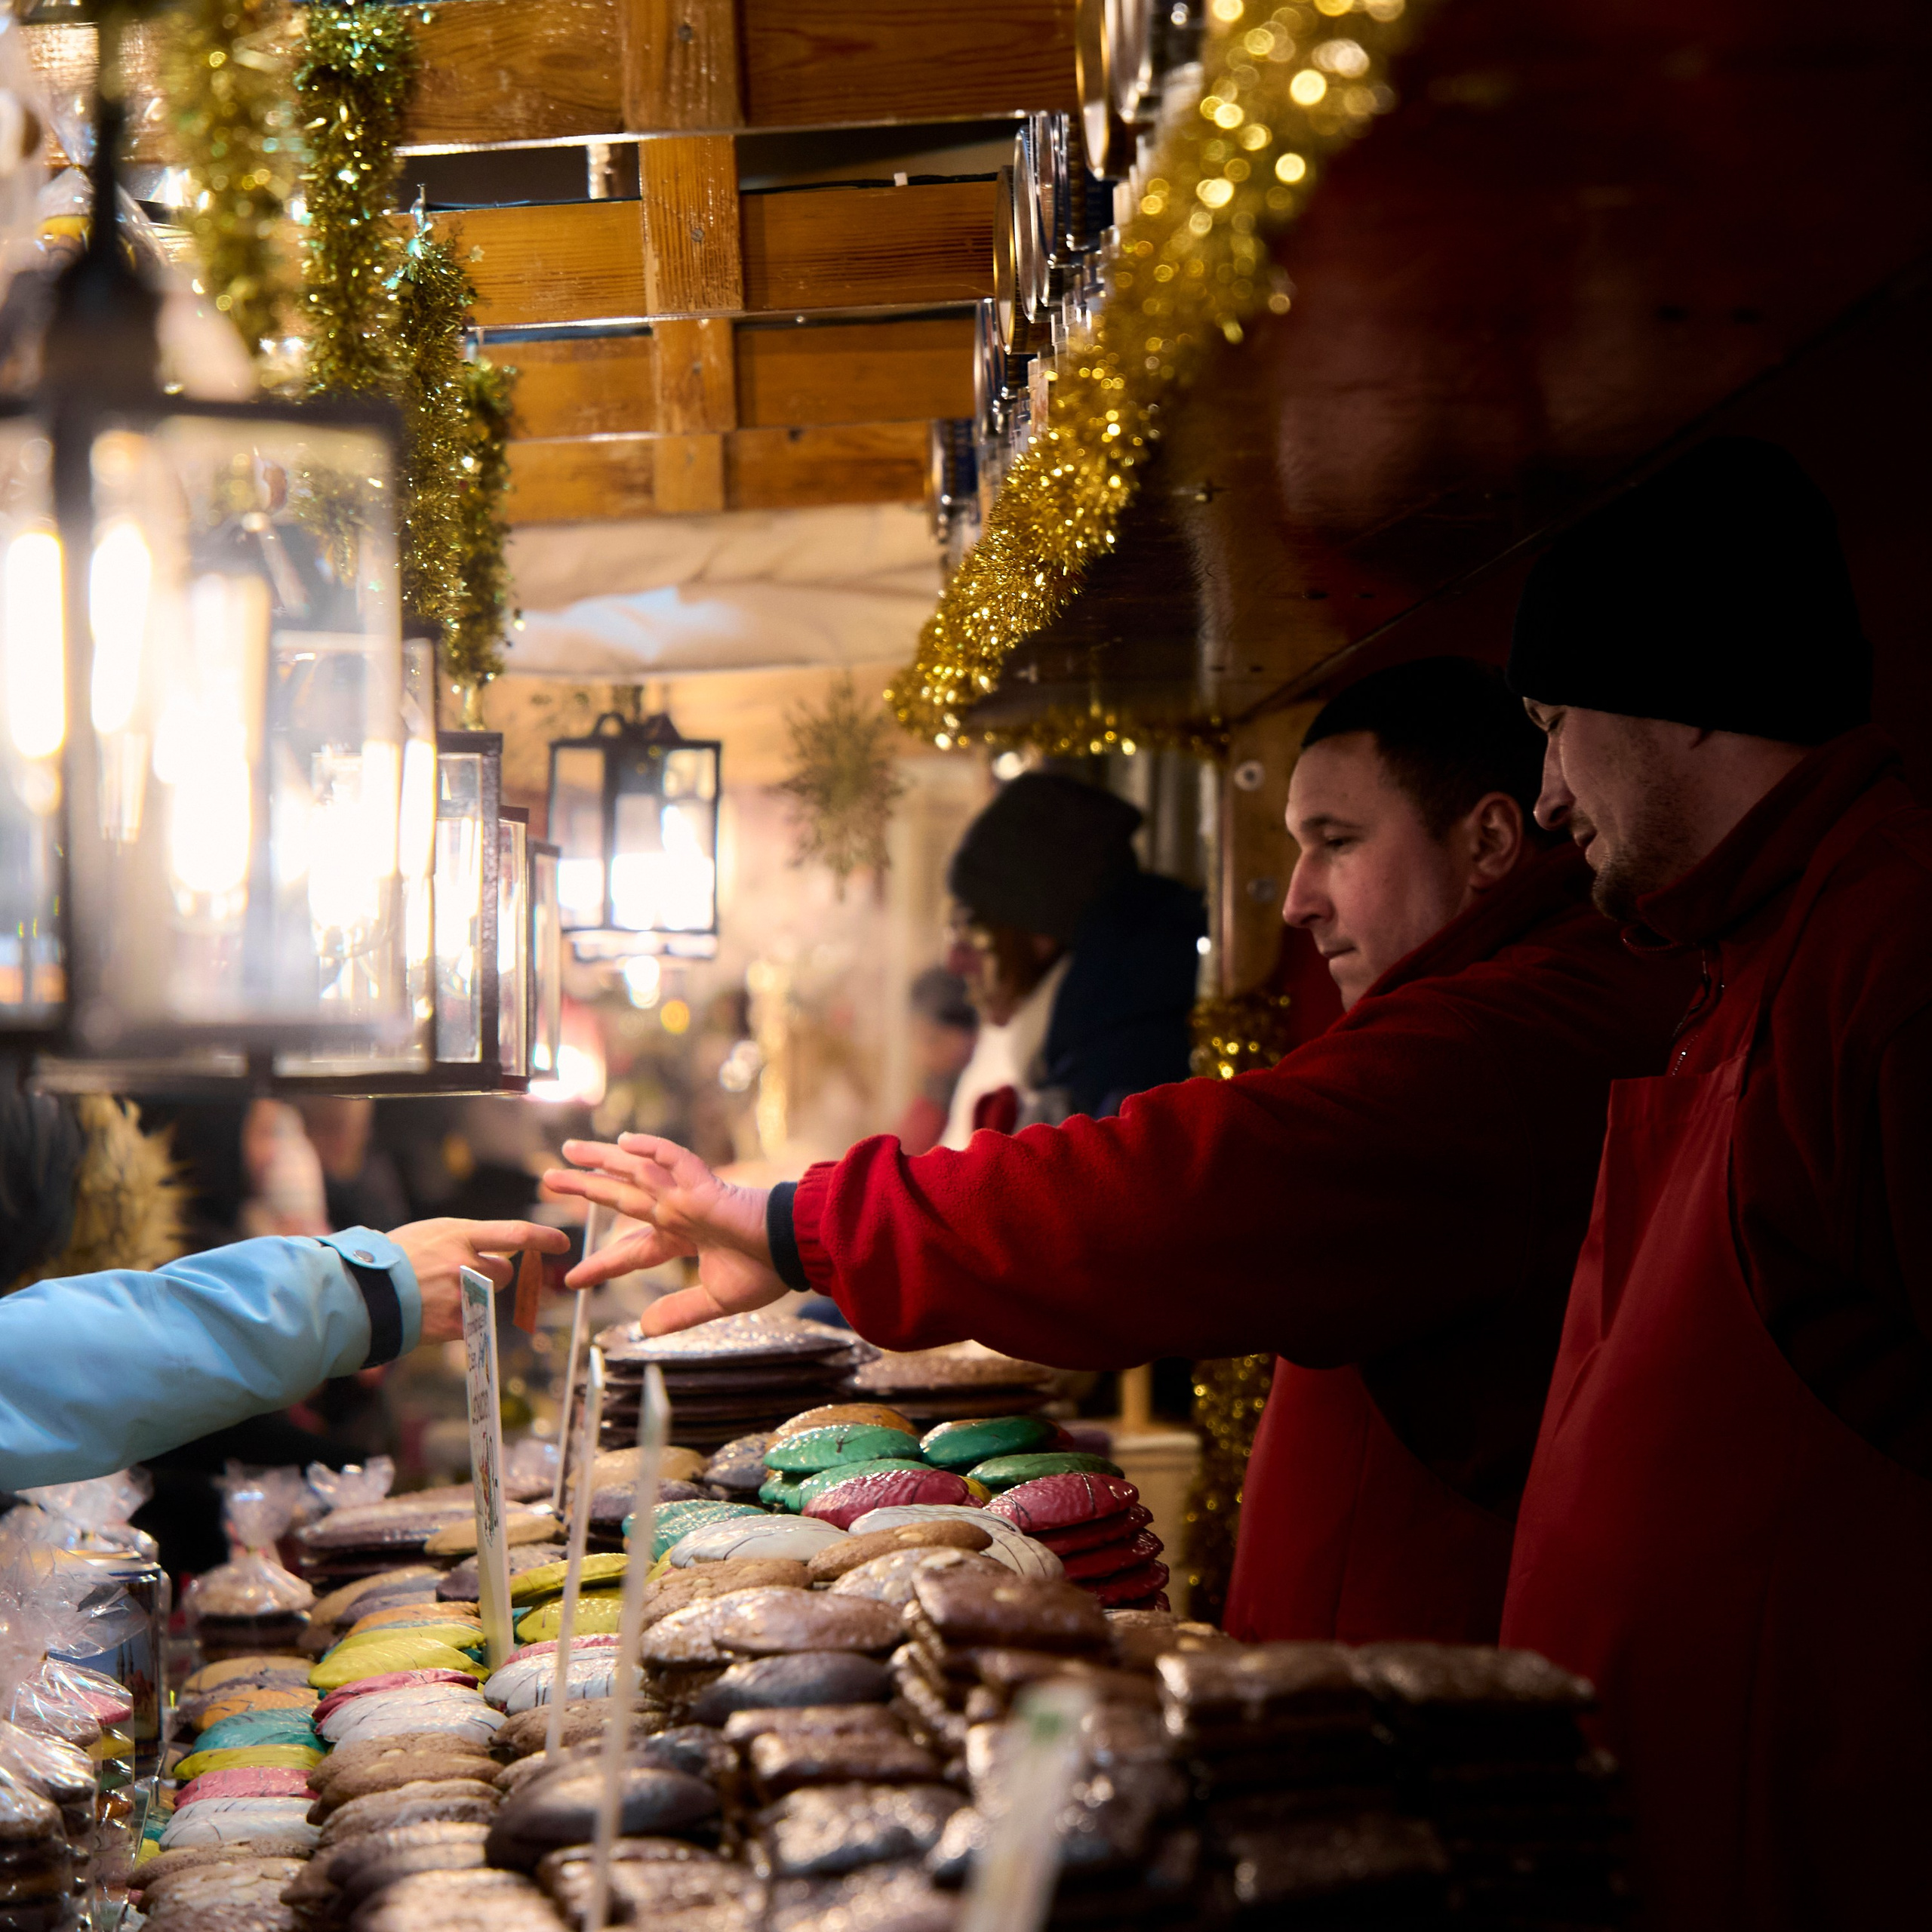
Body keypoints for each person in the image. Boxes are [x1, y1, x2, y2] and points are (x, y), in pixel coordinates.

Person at [546, 659, 1694, 1644]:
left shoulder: (1496, 1042)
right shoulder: (1519, 1002)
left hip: (1444, 1681)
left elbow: (1181, 1187)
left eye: (1336, 844)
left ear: (1493, 839)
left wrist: (804, 1226)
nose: (1295, 900)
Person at [1500, 437, 1932, 1928]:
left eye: (1554, 723)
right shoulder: (1738, 944)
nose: (1545, 799)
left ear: (1677, 691)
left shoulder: (1887, 956)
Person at [0, 1081, 569, 1489]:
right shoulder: (202, 1235)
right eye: (266, 1129)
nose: (282, 1152)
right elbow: (60, 1375)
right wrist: (364, 1292)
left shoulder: (236, 1225)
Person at [937, 772, 1204, 1141]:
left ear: (1041, 933)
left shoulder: (1115, 1069)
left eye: (971, 933)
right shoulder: (1088, 1036)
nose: (954, 962)